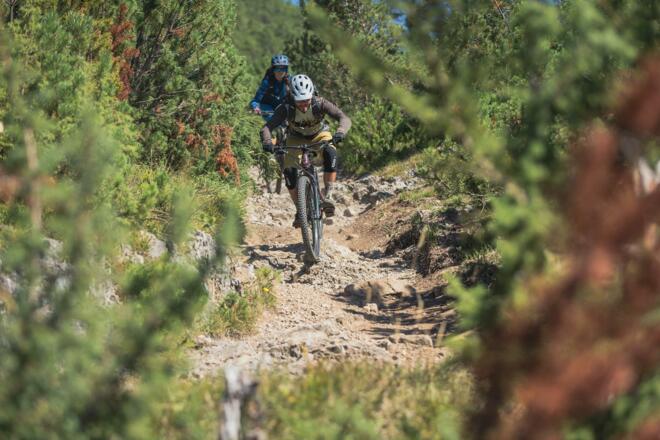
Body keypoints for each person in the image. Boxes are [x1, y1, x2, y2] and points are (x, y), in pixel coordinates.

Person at [261, 74, 351, 227]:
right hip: (295, 138)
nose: (303, 106)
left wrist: (340, 132)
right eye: (299, 102)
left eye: (306, 101)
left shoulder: (320, 103)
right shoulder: (286, 107)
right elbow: (267, 127)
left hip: (319, 135)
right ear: (292, 97)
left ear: (311, 96)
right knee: (289, 172)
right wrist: (267, 142)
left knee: (331, 153)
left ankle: (328, 195)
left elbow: (344, 118)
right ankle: (300, 210)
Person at [250, 54, 290, 121]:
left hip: (282, 108)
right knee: (274, 120)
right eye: (277, 69)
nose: (280, 72)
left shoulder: (290, 81)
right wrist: (255, 107)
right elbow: (255, 101)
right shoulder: (267, 82)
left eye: (283, 69)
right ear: (273, 69)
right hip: (267, 108)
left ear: (286, 70)